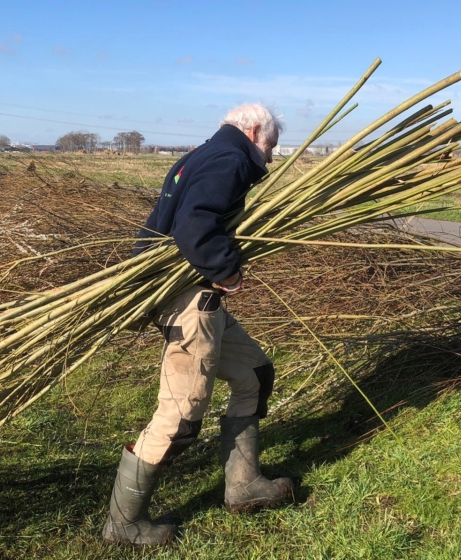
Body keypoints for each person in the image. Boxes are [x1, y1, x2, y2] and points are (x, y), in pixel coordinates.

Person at [102, 104, 293, 546]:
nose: (270, 158)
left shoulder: (202, 154)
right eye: (270, 146)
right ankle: (123, 523)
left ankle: (243, 485)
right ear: (252, 130)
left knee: (254, 374)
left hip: (194, 296)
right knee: (181, 415)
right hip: (190, 301)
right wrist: (226, 269)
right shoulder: (227, 160)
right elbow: (193, 226)